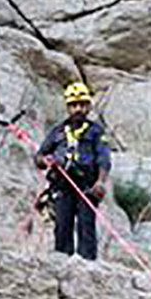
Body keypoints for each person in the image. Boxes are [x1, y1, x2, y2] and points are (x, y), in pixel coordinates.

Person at [35, 82, 111, 261]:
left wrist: (100, 182)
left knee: (86, 226)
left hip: (86, 185)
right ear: (68, 107)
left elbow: (104, 158)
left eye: (82, 105)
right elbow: (40, 155)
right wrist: (45, 161)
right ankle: (62, 263)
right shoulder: (58, 131)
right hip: (62, 184)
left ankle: (88, 266)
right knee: (62, 225)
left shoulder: (96, 132)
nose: (78, 109)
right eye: (74, 105)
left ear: (89, 106)